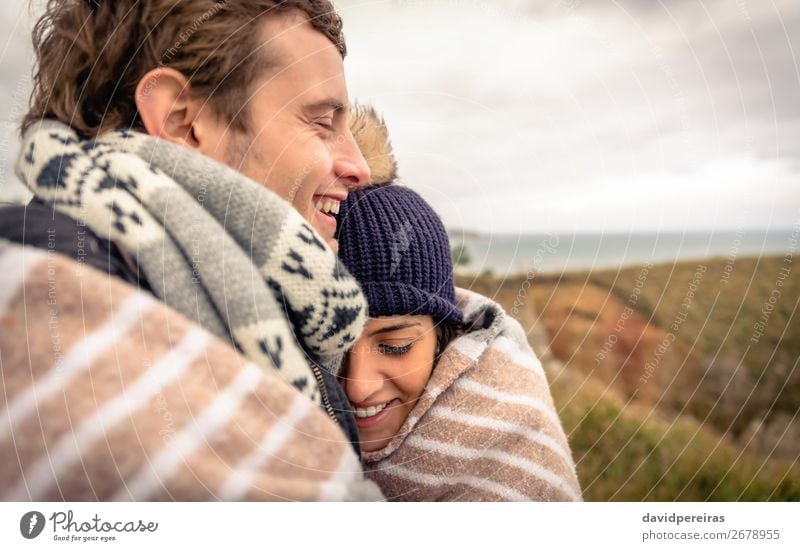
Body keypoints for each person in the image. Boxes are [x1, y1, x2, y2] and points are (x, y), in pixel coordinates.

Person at [0, 0, 384, 500]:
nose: (360, 168)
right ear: (183, 121)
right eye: (322, 122)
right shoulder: (48, 302)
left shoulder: (258, 299)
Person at [335, 173, 583, 501]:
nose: (358, 387)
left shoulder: (512, 460)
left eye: (395, 347)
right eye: (331, 347)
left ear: (445, 335)